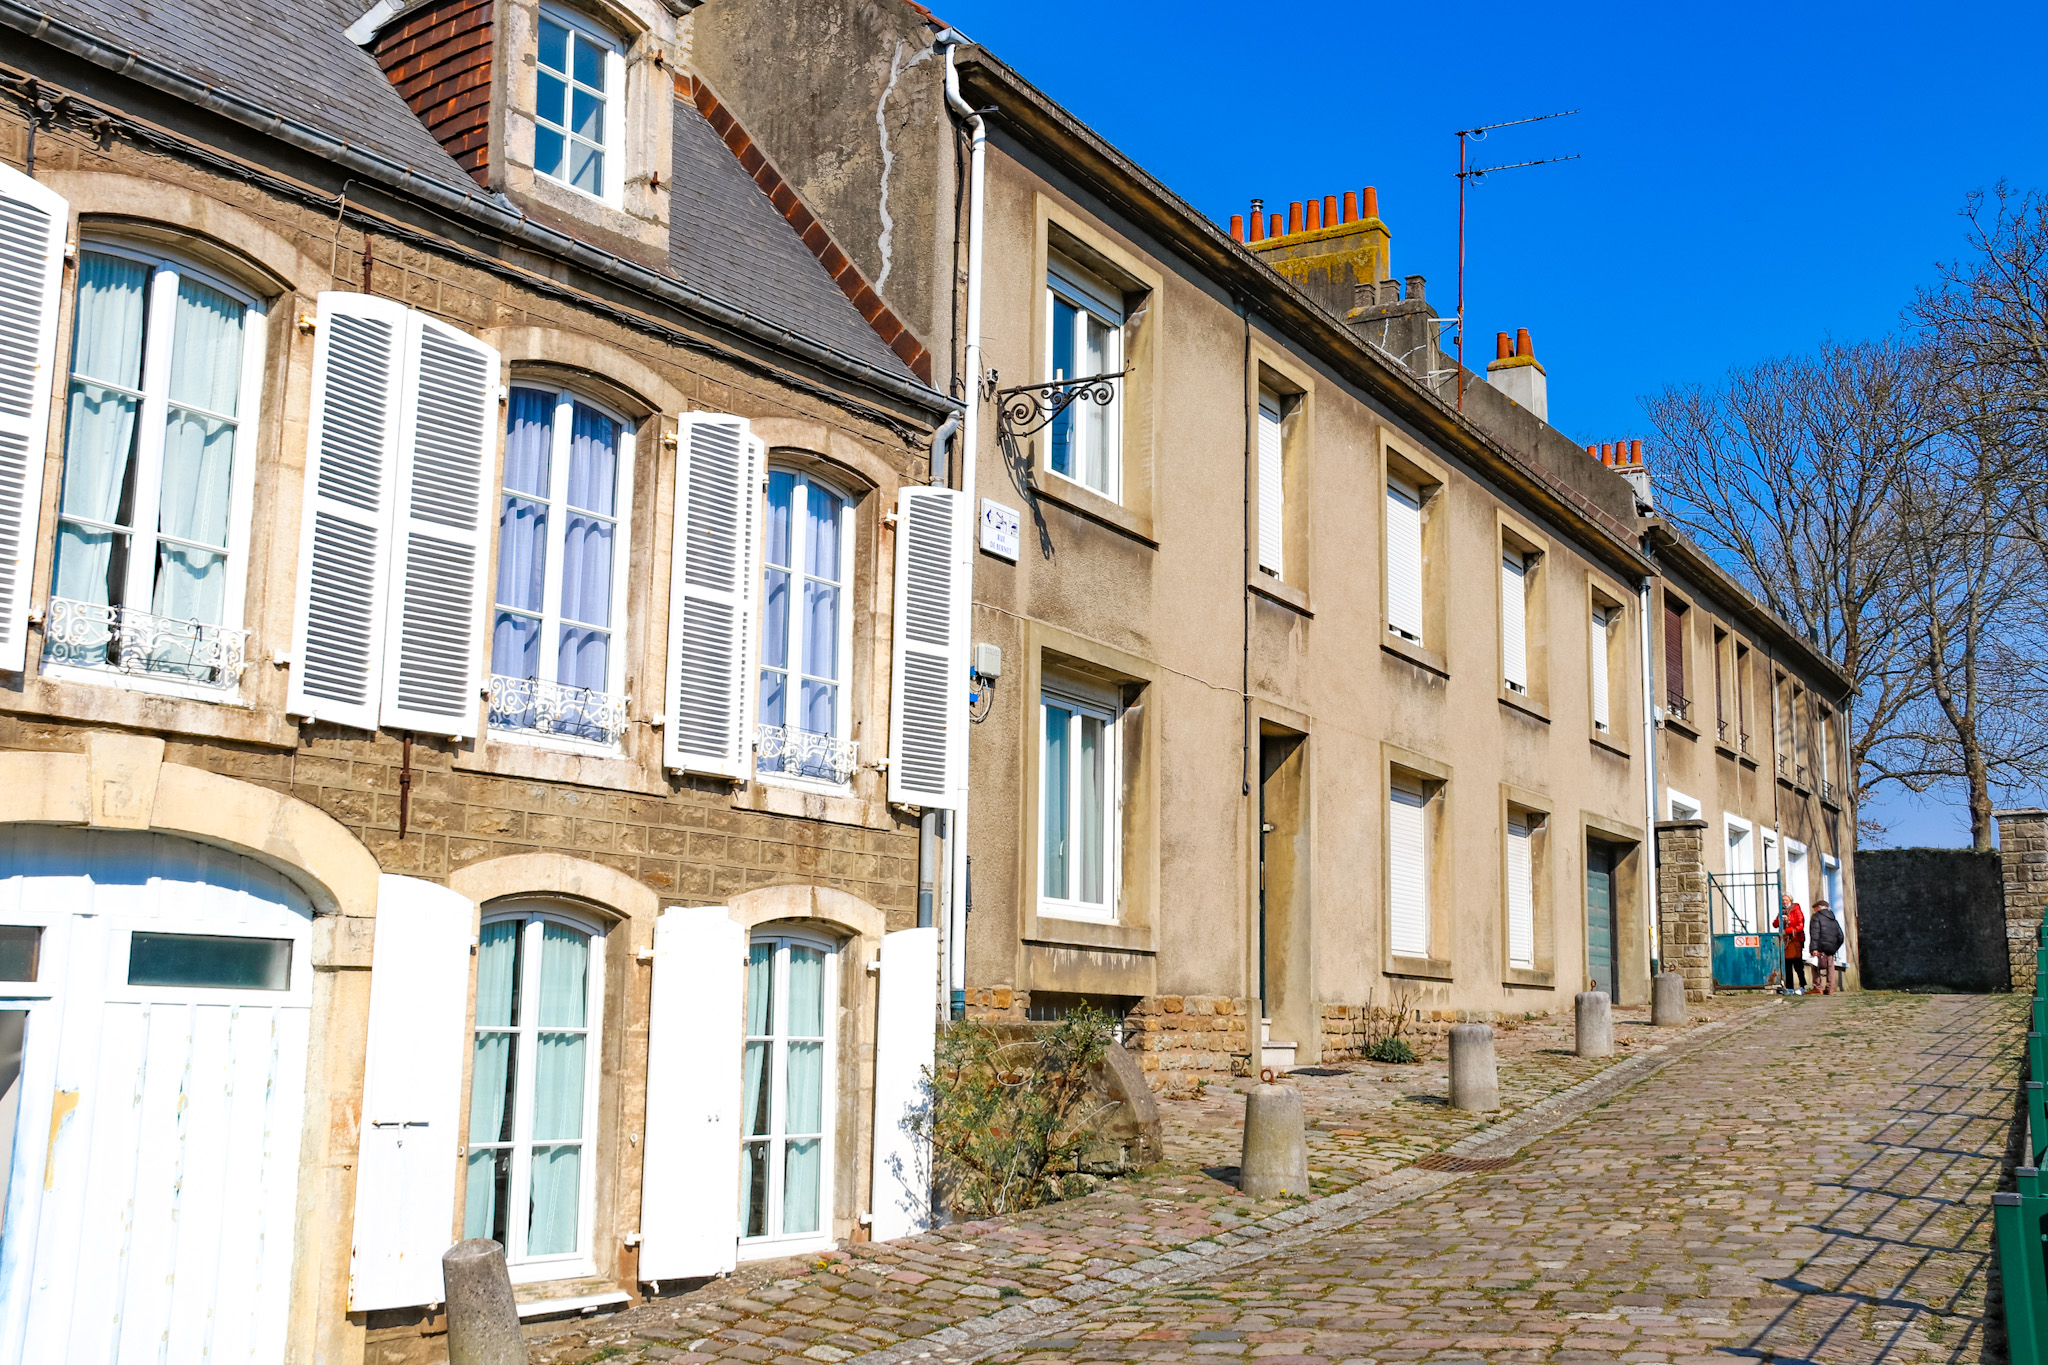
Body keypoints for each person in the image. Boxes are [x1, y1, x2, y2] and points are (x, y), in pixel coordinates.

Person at [1809, 900, 1845, 995]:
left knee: (1816, 966)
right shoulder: (1833, 919)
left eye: (1815, 908)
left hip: (1820, 947)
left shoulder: (1816, 917)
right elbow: (1841, 936)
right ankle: (1830, 988)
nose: (1814, 910)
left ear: (1819, 907)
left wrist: (1814, 949)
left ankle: (1818, 987)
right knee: (1830, 967)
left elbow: (1815, 934)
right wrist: (1834, 947)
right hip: (1831, 948)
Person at [1775, 896, 1807, 994]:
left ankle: (1802, 986)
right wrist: (1780, 919)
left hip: (1795, 941)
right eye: (1783, 900)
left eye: (1786, 900)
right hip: (1785, 942)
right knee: (1787, 965)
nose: (1784, 902)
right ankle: (1789, 987)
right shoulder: (1782, 911)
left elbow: (1800, 926)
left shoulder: (1796, 910)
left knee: (1797, 965)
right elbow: (1775, 924)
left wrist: (1787, 930)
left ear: (1790, 900)